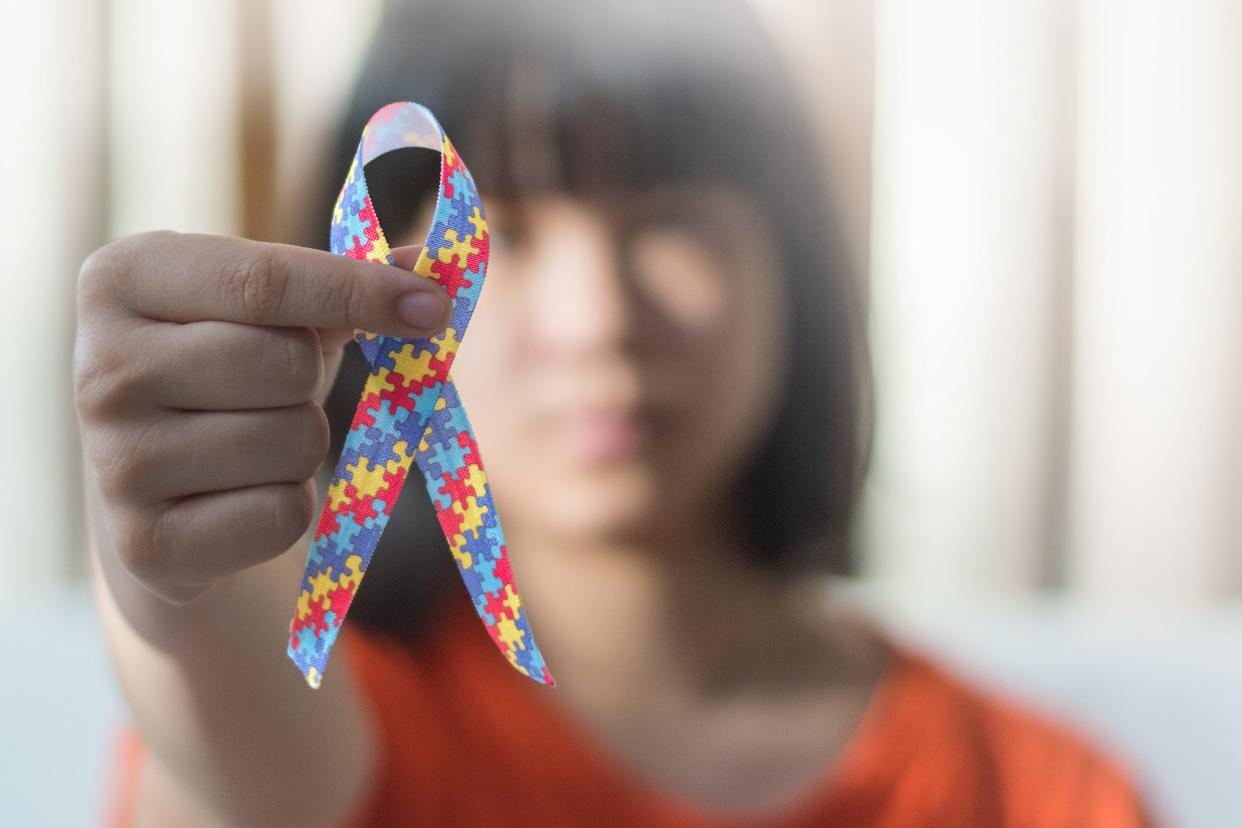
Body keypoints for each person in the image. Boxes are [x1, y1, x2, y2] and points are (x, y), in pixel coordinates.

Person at [76, 0, 1157, 825]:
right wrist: (160, 571)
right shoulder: (320, 720)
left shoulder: (1040, 792)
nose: (598, 320)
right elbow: (212, 696)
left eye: (673, 223)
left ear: (793, 273)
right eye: (497, 229)